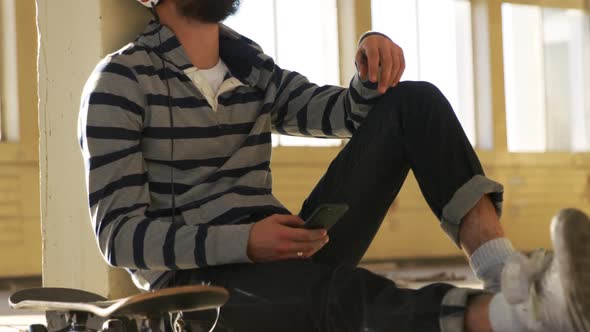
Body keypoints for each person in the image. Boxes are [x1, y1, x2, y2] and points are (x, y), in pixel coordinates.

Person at [78, 0, 590, 331]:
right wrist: (245, 242)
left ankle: (506, 277)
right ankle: (520, 320)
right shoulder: (120, 82)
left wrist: (371, 63)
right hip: (197, 293)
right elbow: (120, 236)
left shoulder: (249, 66)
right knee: (341, 296)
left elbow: (343, 114)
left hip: (286, 245)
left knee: (415, 102)